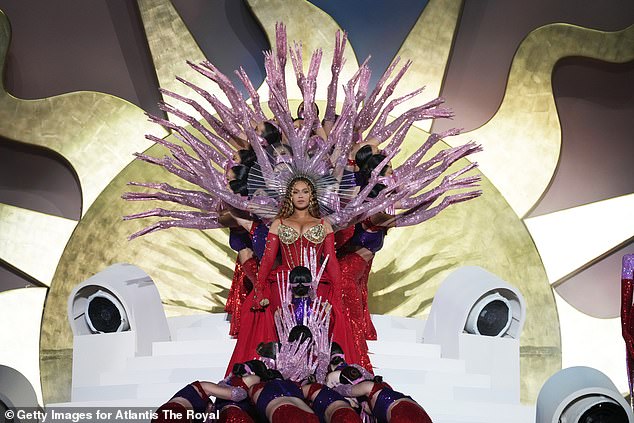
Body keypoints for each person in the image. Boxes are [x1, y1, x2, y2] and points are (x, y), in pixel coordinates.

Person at [332, 366, 433, 423]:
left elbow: (345, 391)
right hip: (415, 409)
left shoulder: (367, 386)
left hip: (401, 413)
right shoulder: (381, 388)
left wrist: (332, 386)